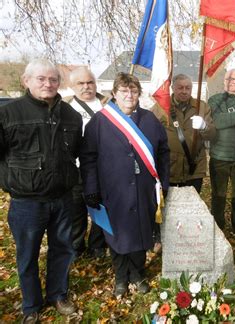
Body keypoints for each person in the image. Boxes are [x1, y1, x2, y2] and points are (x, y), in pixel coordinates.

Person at [0, 59, 81, 323]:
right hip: (27, 202)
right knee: (27, 255)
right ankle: (31, 306)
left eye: (53, 79)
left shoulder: (71, 116)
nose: (48, 84)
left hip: (62, 198)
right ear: (27, 81)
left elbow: (76, 153)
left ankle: (58, 294)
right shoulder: (9, 114)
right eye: (41, 79)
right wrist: (9, 182)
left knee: (63, 250)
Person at [80, 73, 170, 297]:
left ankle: (138, 274)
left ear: (139, 93)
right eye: (123, 91)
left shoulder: (150, 120)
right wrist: (91, 189)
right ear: (114, 94)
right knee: (116, 234)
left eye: (133, 91)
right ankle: (121, 277)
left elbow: (164, 153)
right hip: (113, 191)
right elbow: (88, 158)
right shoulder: (100, 122)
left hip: (144, 190)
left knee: (141, 233)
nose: (129, 95)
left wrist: (164, 183)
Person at [65, 67, 108, 258]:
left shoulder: (108, 104)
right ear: (72, 86)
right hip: (75, 169)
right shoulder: (64, 109)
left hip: (102, 168)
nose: (86, 87)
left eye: (89, 82)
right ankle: (76, 247)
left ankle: (97, 246)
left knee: (100, 207)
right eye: (80, 83)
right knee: (76, 211)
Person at [151, 74, 215, 194]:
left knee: (191, 207)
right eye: (180, 88)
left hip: (194, 169)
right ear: (173, 88)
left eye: (188, 88)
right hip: (169, 168)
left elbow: (211, 135)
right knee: (169, 206)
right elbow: (150, 133)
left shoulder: (202, 107)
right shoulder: (161, 107)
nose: (184, 91)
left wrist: (204, 126)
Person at [208, 69, 235, 234]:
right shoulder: (216, 100)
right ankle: (217, 227)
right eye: (230, 78)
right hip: (219, 156)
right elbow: (217, 121)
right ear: (224, 82)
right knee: (219, 195)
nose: (234, 81)